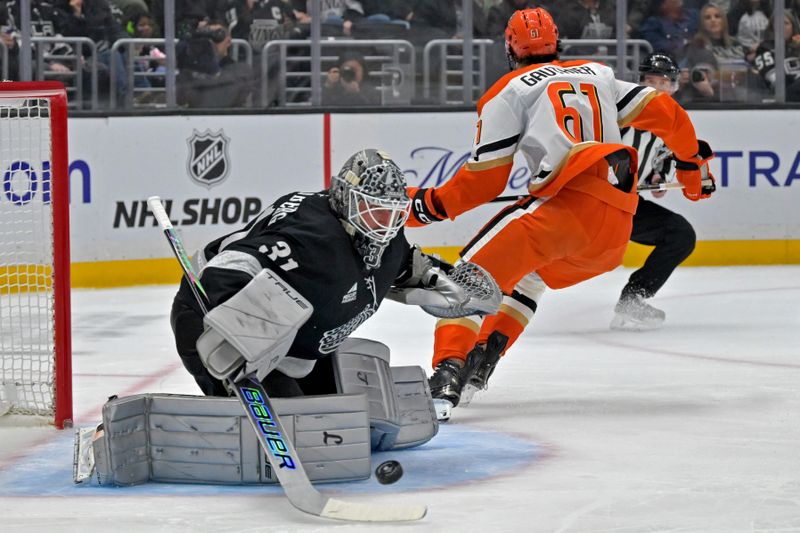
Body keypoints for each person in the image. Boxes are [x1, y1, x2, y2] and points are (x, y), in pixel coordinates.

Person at [405, 7, 716, 409]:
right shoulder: (598, 74)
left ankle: (447, 376)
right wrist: (692, 169)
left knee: (466, 279)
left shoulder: (509, 91)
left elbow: (483, 184)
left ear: (509, 48)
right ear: (558, 43)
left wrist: (423, 207)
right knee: (528, 279)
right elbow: (668, 113)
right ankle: (485, 358)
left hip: (561, 215)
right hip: (614, 231)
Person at [170, 149, 495, 398]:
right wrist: (229, 323)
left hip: (291, 348)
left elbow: (413, 271)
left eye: (393, 214)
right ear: (345, 198)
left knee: (338, 419)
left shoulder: (390, 242)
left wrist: (457, 287)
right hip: (213, 322)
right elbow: (235, 264)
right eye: (375, 212)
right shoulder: (314, 237)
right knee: (296, 427)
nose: (384, 225)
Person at [612, 53, 699, 330]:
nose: (656, 88)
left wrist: (657, 177)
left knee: (681, 234)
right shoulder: (618, 113)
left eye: (663, 82)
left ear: (673, 87)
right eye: (651, 81)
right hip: (593, 202)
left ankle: (633, 298)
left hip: (626, 205)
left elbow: (655, 169)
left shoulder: (672, 127)